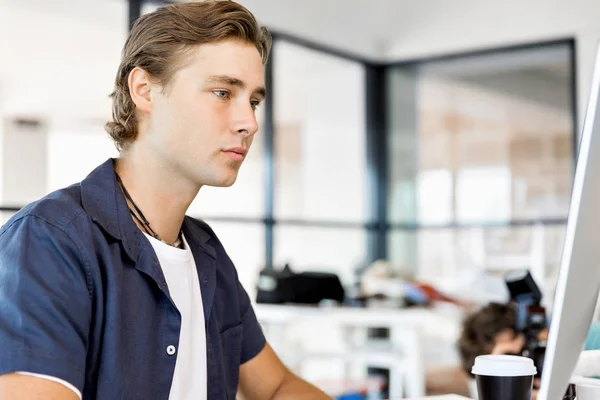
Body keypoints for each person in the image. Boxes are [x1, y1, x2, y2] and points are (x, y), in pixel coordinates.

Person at [0, 2, 333, 399]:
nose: (249, 122)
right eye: (223, 92)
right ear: (144, 90)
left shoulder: (207, 253)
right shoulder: (50, 242)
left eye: (254, 101)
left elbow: (277, 386)